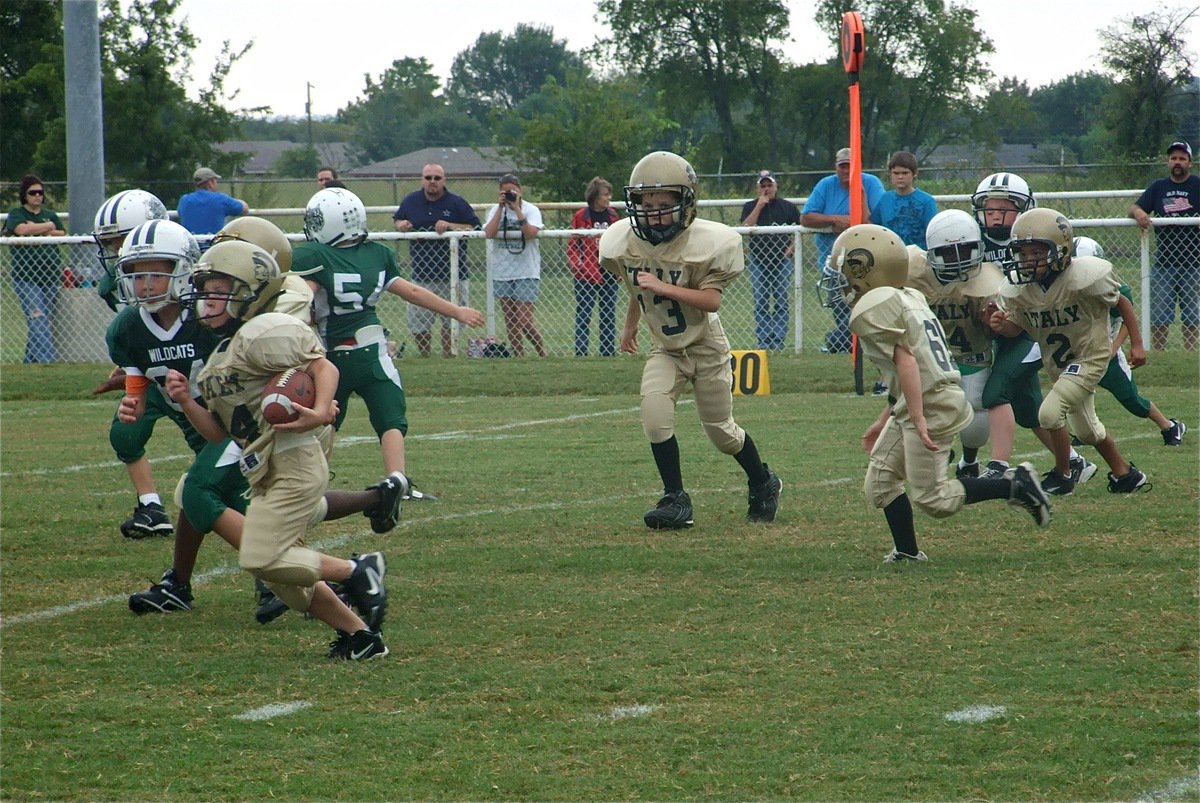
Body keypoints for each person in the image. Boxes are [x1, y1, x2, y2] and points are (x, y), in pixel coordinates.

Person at [124, 216, 403, 629]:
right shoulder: (217, 336)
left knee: (226, 513)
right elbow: (218, 416)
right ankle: (355, 627)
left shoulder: (271, 315)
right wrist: (174, 394)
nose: (208, 294)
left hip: (287, 431)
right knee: (274, 530)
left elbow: (313, 364)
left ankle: (349, 570)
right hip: (253, 440)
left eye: (221, 280)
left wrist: (322, 405)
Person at [819, 223, 1052, 562]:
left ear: (867, 270)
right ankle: (908, 552)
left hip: (929, 404)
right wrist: (887, 417)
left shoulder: (874, 308)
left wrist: (915, 416)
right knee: (881, 484)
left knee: (935, 500)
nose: (839, 281)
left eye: (845, 271)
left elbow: (907, 362)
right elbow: (908, 366)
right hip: (924, 398)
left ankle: (1014, 484)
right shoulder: (907, 295)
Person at [598, 151, 782, 529]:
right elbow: (637, 288)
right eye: (646, 204)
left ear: (686, 204)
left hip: (706, 346)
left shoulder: (708, 243)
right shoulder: (624, 242)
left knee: (721, 432)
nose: (653, 213)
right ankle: (675, 499)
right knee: (654, 414)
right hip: (665, 348)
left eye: (664, 205)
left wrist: (663, 285)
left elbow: (712, 301)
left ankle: (763, 481)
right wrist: (630, 325)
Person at [295, 187, 484, 506]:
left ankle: (312, 486)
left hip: (330, 358)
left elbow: (300, 297)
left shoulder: (313, 256)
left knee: (325, 420)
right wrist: (457, 311)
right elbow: (412, 291)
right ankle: (398, 480)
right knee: (390, 418)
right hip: (372, 351)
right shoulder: (377, 254)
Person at [989, 208, 1149, 495]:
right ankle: (1126, 475)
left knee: (1048, 414)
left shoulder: (1084, 277)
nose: (1026, 261)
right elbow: (1019, 328)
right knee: (1089, 431)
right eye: (1022, 254)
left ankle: (1064, 474)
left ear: (1060, 250)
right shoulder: (1020, 290)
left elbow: (1122, 301)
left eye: (1035, 253)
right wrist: (1002, 325)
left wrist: (1136, 343)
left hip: (1090, 356)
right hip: (1060, 364)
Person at [970, 172, 1095, 490]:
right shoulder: (974, 243)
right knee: (1029, 411)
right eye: (989, 207)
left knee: (995, 392)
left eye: (1003, 208)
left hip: (1033, 329)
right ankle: (1076, 463)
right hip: (1003, 331)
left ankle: (998, 466)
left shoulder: (1034, 240)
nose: (995, 214)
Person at [90, 192, 178, 538]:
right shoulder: (115, 284)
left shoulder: (185, 264)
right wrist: (131, 366)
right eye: (109, 245)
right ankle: (151, 506)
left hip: (197, 372)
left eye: (120, 242)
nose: (114, 253)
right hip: (155, 372)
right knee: (125, 432)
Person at [902, 210, 1005, 482]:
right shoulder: (912, 268)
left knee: (975, 414)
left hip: (971, 354)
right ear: (931, 253)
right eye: (948, 253)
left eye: (965, 250)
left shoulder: (987, 281)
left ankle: (968, 461)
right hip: (928, 357)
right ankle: (933, 457)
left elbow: (995, 330)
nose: (958, 260)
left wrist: (991, 322)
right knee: (922, 411)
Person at [1073, 236, 1186, 447]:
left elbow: (1127, 318)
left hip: (1104, 352)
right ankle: (1084, 431)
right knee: (1074, 392)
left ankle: (1169, 426)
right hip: (1077, 350)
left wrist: (1114, 347)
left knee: (1131, 400)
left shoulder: (1111, 288)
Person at [800, 147, 886, 352]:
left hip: (868, 261)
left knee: (868, 307)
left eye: (850, 166)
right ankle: (847, 342)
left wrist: (860, 194)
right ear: (836, 168)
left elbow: (873, 221)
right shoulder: (826, 185)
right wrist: (834, 219)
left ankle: (846, 342)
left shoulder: (871, 184)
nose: (846, 170)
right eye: (842, 166)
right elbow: (805, 217)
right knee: (841, 308)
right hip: (834, 262)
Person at [393, 163, 481, 357]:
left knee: (452, 320)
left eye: (437, 178)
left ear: (444, 180)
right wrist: (402, 225)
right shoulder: (411, 201)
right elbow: (397, 220)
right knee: (419, 321)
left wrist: (450, 225)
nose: (432, 182)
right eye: (428, 177)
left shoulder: (457, 203)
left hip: (453, 275)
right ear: (422, 179)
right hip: (421, 274)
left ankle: (449, 356)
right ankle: (426, 356)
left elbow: (474, 228)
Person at [1128, 141, 1199, 351]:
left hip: (1194, 264)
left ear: (1190, 163)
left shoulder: (1197, 185)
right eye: (1173, 158)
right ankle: (1158, 352)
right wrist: (1139, 213)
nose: (1177, 162)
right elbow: (1134, 207)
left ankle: (1190, 353)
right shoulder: (1158, 187)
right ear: (1168, 162)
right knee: (1159, 314)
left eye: (1182, 158)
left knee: (1192, 314)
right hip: (1164, 263)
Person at [4, 174, 65, 363]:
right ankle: (49, 362)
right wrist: (47, 228)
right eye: (33, 193)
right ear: (25, 195)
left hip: (50, 277)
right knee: (38, 318)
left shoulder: (51, 215)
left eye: (40, 192)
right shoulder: (17, 214)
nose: (37, 196)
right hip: (26, 277)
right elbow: (20, 230)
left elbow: (61, 231)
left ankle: (29, 363)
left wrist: (40, 227)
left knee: (41, 320)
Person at [484, 173, 547, 357]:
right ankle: (519, 356)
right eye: (504, 192)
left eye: (512, 191)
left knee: (524, 320)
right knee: (510, 320)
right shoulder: (495, 210)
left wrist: (517, 209)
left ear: (520, 191)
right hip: (503, 271)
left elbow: (530, 233)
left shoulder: (531, 210)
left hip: (526, 270)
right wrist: (500, 208)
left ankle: (542, 353)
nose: (508, 195)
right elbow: (489, 232)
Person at [740, 169, 801, 350]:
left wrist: (791, 248)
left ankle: (778, 341)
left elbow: (800, 231)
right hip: (759, 261)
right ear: (758, 188)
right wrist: (760, 205)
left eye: (770, 185)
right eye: (763, 185)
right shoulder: (750, 206)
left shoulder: (788, 207)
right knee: (761, 302)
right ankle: (764, 341)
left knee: (781, 301)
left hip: (781, 262)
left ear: (776, 186)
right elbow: (746, 226)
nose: (767, 189)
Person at [568, 177, 621, 356]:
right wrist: (578, 266)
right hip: (586, 273)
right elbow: (573, 245)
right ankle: (581, 352)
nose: (608, 198)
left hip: (609, 271)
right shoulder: (581, 216)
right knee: (584, 314)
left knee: (608, 314)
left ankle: (607, 351)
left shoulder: (613, 216)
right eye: (605, 194)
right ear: (595, 196)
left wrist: (620, 268)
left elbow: (620, 243)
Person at [871, 150, 937, 249]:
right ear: (890, 174)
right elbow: (874, 226)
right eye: (896, 173)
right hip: (891, 255)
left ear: (914, 174)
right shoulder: (885, 199)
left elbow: (933, 233)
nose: (900, 177)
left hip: (919, 256)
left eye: (905, 173)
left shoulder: (926, 201)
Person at [177, 167, 248, 239]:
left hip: (191, 246)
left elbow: (180, 214)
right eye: (215, 180)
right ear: (210, 183)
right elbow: (244, 209)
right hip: (214, 245)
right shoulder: (220, 199)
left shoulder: (184, 200)